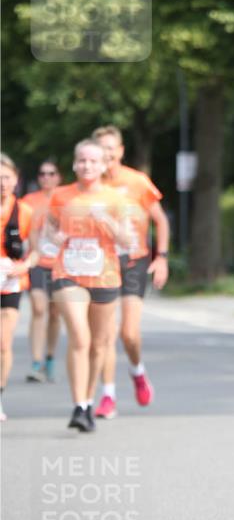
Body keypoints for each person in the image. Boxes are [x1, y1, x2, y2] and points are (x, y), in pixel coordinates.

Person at [47, 139, 131, 433]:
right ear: (74, 163)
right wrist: (54, 238)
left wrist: (105, 218)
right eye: (82, 160)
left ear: (104, 165)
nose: (87, 165)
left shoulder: (115, 198)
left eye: (93, 161)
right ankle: (79, 405)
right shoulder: (61, 195)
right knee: (80, 338)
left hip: (104, 275)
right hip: (67, 272)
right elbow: (49, 228)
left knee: (99, 344)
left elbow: (127, 240)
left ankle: (88, 401)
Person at [91, 126, 169, 420]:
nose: (107, 153)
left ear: (120, 150)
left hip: (135, 262)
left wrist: (161, 258)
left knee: (129, 334)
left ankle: (137, 372)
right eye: (101, 148)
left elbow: (160, 221)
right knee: (105, 334)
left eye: (111, 148)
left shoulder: (137, 181)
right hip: (103, 264)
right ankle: (108, 395)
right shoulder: (91, 185)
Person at [0, 154, 37, 421]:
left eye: (6, 178)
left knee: (3, 343)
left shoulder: (25, 212)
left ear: (16, 180)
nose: (2, 183)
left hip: (10, 283)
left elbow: (36, 250)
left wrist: (24, 266)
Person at [22, 159, 62, 383]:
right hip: (37, 261)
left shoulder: (67, 199)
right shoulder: (29, 201)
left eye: (51, 173)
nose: (46, 177)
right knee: (38, 308)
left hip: (61, 264)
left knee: (55, 313)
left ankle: (50, 357)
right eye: (42, 173)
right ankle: (36, 362)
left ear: (59, 177)